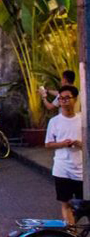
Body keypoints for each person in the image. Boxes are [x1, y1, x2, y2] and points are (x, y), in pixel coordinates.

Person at [45, 85, 83, 225]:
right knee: (65, 203)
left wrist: (79, 144)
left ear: (75, 99)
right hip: (62, 169)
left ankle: (80, 236)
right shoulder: (54, 121)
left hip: (81, 170)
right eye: (61, 99)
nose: (63, 101)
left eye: (67, 98)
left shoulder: (83, 119)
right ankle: (72, 236)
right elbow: (48, 144)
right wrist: (62, 144)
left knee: (85, 206)